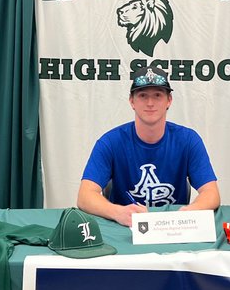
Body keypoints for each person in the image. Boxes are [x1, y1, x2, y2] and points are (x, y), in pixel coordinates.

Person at [77, 63, 220, 227]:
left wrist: (189, 212)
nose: (150, 103)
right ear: (132, 101)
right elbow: (85, 195)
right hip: (125, 229)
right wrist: (117, 212)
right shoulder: (110, 142)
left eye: (158, 95)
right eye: (143, 95)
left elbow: (211, 193)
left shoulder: (188, 140)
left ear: (169, 100)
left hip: (173, 229)